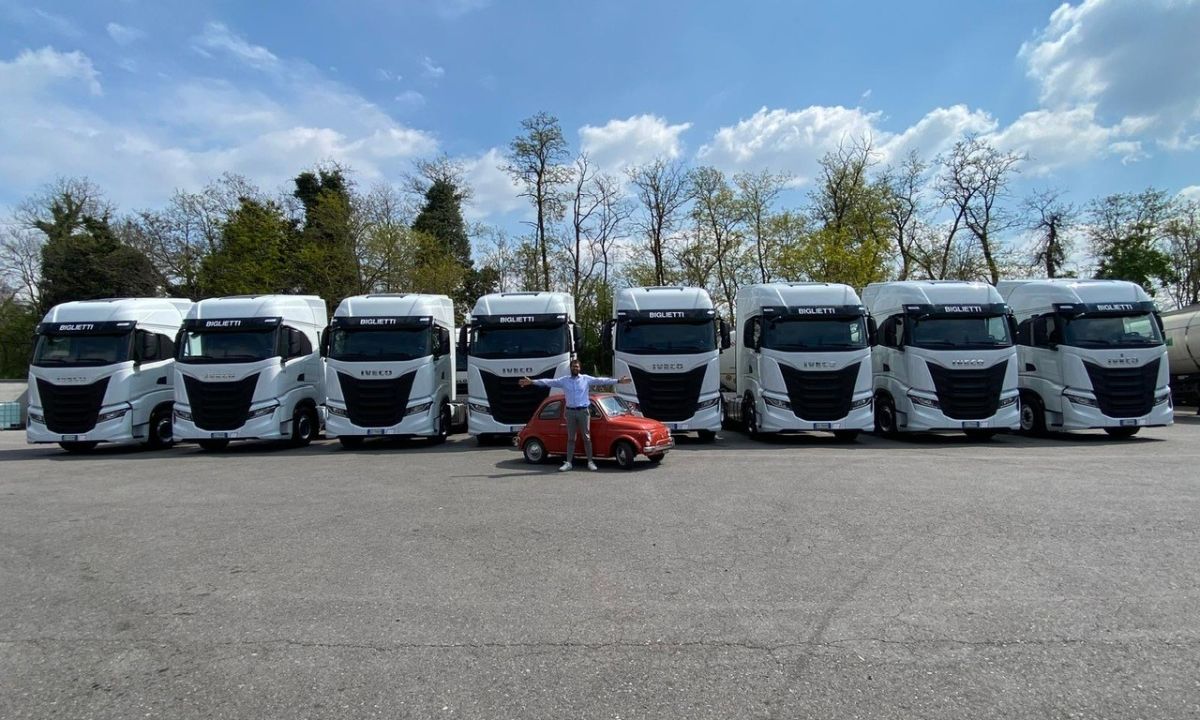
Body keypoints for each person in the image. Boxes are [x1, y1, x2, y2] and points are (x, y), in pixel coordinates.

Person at [519, 359, 631, 472]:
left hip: (583, 411)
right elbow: (548, 382)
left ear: (580, 368)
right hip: (570, 412)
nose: (575, 368)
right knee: (571, 438)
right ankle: (568, 462)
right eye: (573, 367)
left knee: (586, 437)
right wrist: (532, 382)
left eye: (577, 367)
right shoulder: (564, 380)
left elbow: (601, 380)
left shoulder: (586, 379)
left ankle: (590, 462)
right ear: (570, 368)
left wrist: (619, 381)